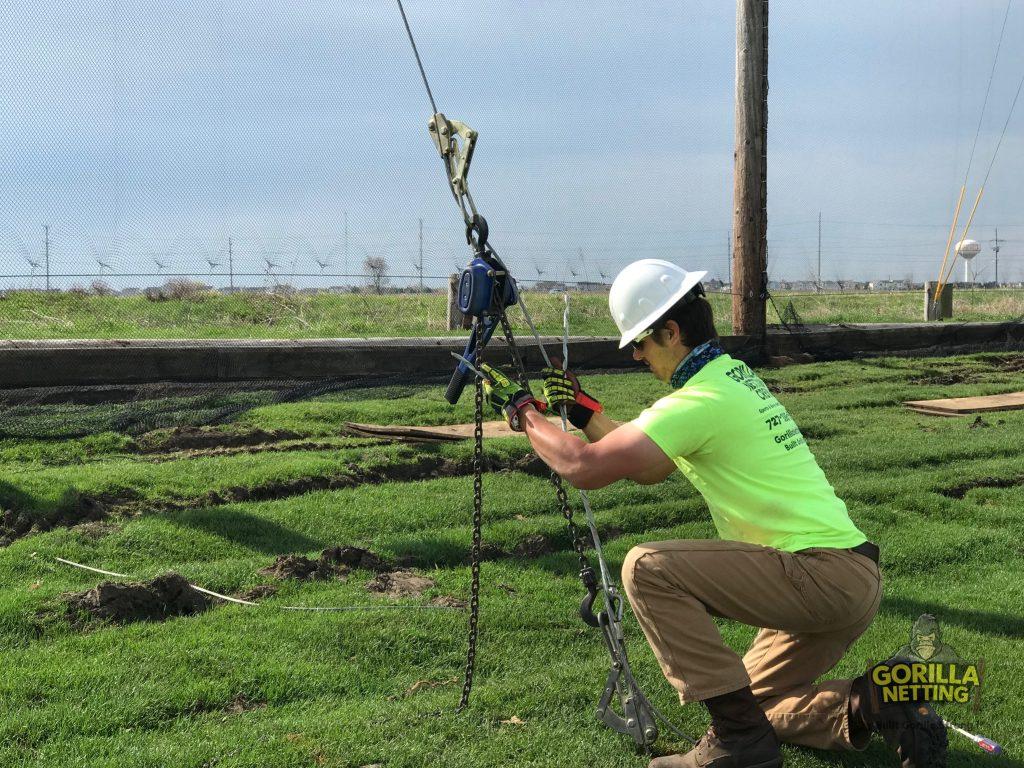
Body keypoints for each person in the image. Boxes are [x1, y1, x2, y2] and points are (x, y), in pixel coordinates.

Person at [479, 259, 948, 768]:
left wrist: (523, 411)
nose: (636, 355)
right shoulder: (730, 378)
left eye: (639, 342)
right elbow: (649, 465)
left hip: (817, 575)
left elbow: (581, 465)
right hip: (847, 576)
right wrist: (585, 413)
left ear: (671, 331)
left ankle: (738, 745)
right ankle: (877, 704)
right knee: (747, 702)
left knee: (647, 568)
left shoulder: (699, 401)